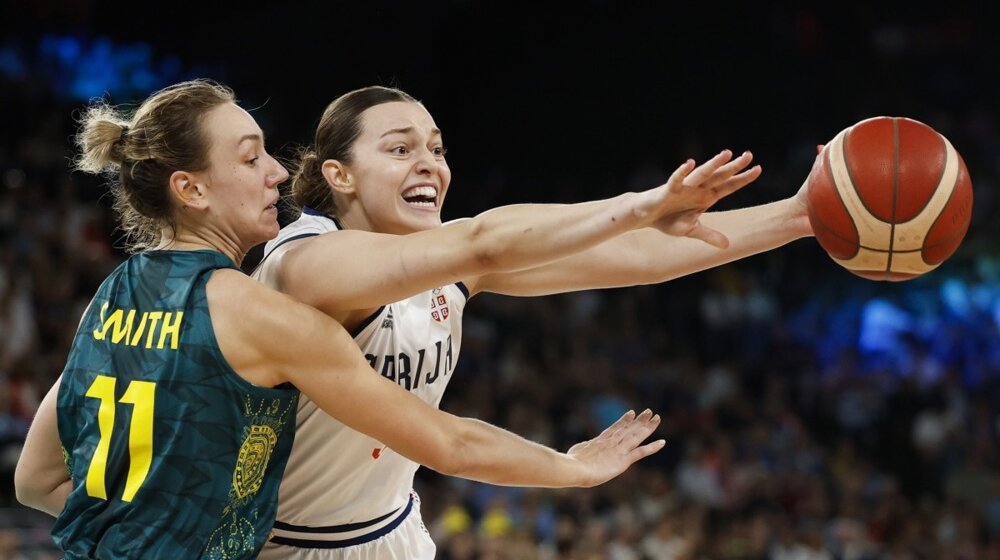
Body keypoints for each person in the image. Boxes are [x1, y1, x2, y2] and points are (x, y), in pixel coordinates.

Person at [12, 79, 671, 559]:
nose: (276, 173)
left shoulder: (111, 296)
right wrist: (574, 469)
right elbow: (450, 444)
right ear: (191, 189)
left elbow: (37, 480)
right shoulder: (266, 315)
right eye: (250, 158)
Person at [251, 85, 812, 558]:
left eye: (437, 148)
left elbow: (641, 257)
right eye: (400, 149)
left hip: (394, 530)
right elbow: (486, 242)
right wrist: (642, 205)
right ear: (339, 176)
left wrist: (796, 216)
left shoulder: (448, 259)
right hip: (285, 542)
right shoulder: (305, 263)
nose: (429, 162)